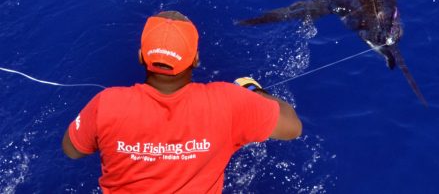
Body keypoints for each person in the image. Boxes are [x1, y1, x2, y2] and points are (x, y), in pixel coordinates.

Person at [62, 11, 302, 193]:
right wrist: (253, 91)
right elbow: (292, 128)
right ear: (196, 59)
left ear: (141, 56)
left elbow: (71, 150)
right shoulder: (229, 102)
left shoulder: (107, 104)